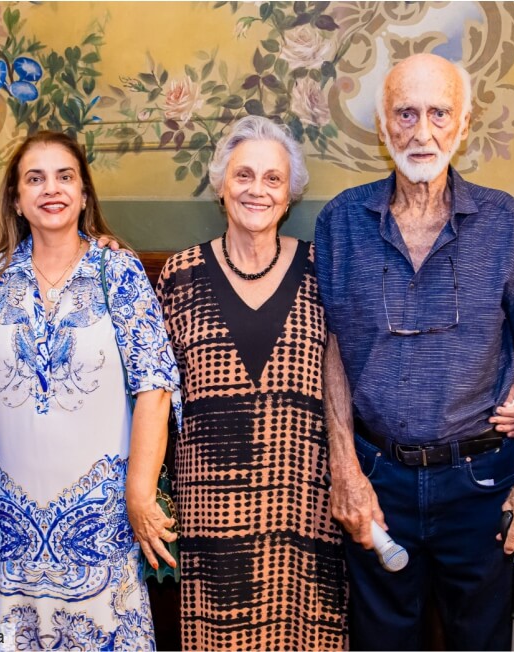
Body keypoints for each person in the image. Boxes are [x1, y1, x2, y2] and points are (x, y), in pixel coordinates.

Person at [316, 53, 514, 650]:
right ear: (383, 125)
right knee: (380, 643)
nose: (422, 132)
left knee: (481, 641)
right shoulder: (341, 222)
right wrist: (344, 469)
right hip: (378, 480)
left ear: (463, 124)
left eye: (439, 113)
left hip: (482, 483)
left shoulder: (506, 223)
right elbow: (333, 351)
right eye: (406, 113)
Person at [0, 130, 181, 649]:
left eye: (65, 177)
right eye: (35, 178)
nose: (52, 189)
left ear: (84, 194)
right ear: (16, 199)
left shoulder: (118, 271)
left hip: (100, 518)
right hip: (9, 518)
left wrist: (139, 493)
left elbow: (155, 385)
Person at [154, 115, 346, 650]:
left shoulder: (323, 270)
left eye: (272, 178)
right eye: (243, 175)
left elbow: (372, 360)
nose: (257, 189)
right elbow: (151, 392)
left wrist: (501, 388)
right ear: (221, 185)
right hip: (210, 515)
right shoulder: (180, 275)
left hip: (307, 506)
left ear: (288, 196)